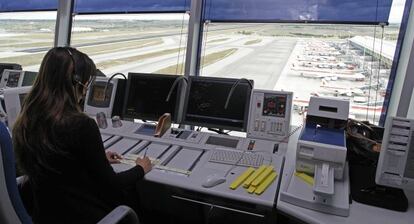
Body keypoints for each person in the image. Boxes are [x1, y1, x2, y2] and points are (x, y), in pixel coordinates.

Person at [12, 47, 152, 224]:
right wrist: (141, 168)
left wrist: (97, 159)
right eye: (86, 82)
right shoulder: (81, 125)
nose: (86, 89)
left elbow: (60, 166)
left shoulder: (27, 120)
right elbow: (113, 186)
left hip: (44, 215)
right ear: (75, 81)